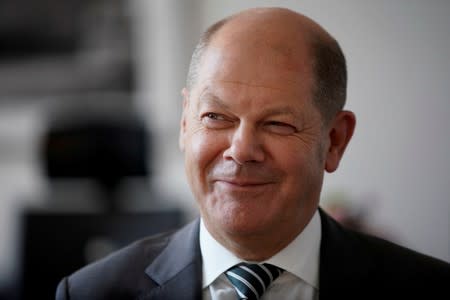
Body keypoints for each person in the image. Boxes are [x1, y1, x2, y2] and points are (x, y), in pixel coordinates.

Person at [56, 7, 449, 300]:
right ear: (184, 124)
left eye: (277, 123)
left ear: (334, 140)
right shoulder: (92, 293)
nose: (241, 150)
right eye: (215, 117)